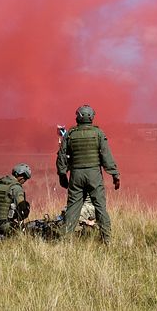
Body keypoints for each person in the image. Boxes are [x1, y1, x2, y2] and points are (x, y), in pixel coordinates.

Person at [56, 104, 120, 243]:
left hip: (76, 175)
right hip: (94, 175)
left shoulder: (70, 134)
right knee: (100, 207)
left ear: (78, 117)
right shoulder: (98, 133)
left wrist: (62, 174)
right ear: (92, 117)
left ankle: (66, 241)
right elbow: (106, 156)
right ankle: (107, 241)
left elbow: (62, 156)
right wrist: (115, 174)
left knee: (73, 208)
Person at [0, 162, 32, 239]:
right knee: (25, 234)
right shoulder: (16, 187)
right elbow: (22, 208)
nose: (24, 181)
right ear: (22, 176)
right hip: (4, 225)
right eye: (25, 179)